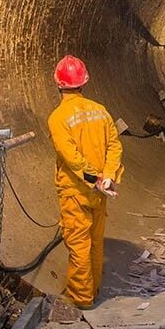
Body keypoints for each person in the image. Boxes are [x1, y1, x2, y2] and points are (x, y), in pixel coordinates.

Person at [47, 55, 123, 310]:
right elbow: (114, 145)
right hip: (100, 191)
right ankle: (95, 288)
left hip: (76, 191)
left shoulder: (58, 118)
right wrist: (108, 176)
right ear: (84, 82)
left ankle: (81, 299)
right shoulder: (100, 111)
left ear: (58, 84)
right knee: (96, 240)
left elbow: (72, 158)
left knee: (79, 244)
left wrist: (93, 177)